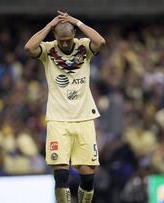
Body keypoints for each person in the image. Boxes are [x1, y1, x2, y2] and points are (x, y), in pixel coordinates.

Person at [24, 10, 106, 203]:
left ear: (74, 36)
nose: (65, 44)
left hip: (84, 117)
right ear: (55, 37)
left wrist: (76, 22)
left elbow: (101, 42)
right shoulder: (48, 50)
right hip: (58, 119)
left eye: (69, 40)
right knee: (61, 174)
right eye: (61, 40)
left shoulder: (84, 47)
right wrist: (50, 26)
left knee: (88, 175)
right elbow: (29, 48)